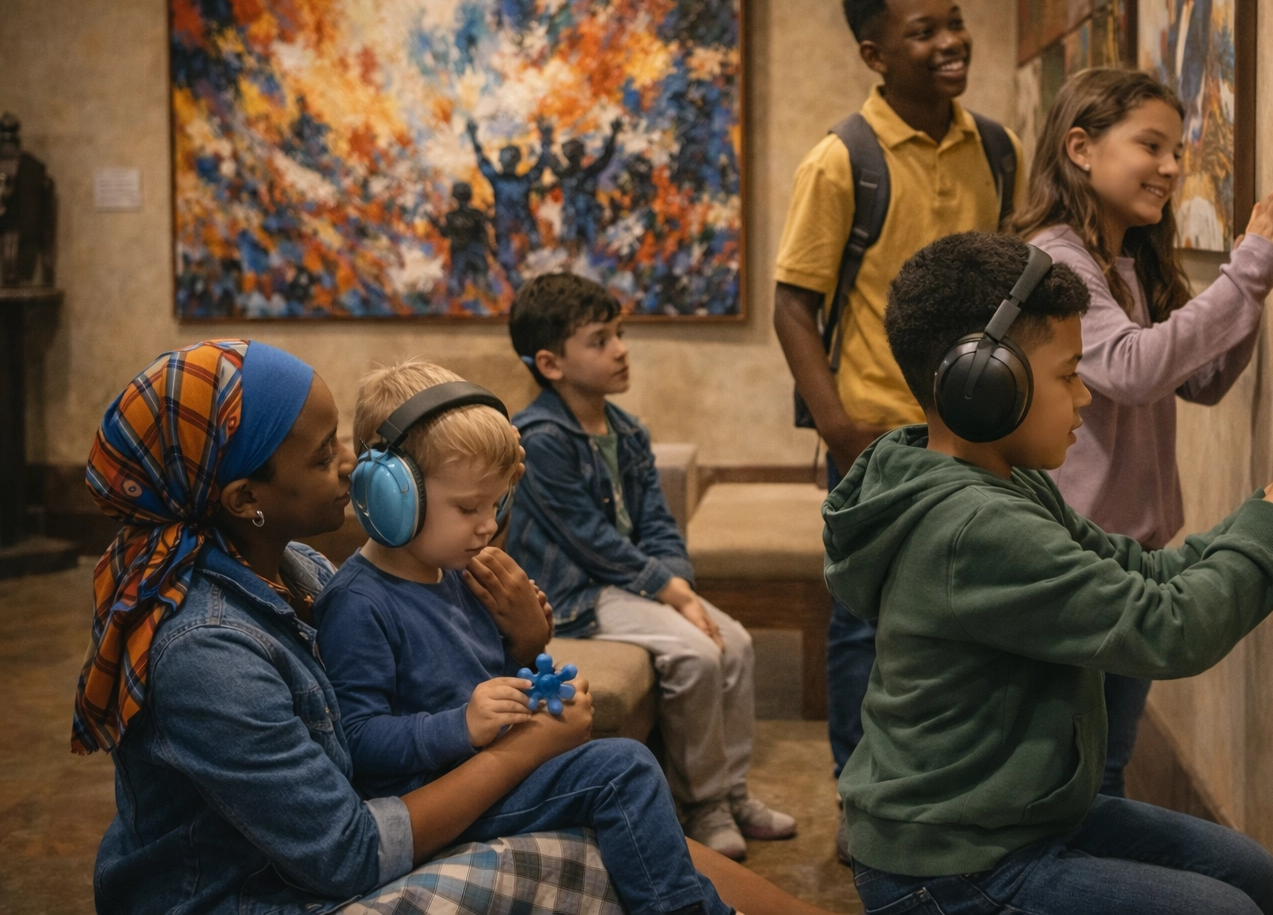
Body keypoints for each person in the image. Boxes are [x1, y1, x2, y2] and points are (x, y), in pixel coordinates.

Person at [74, 338, 832, 915]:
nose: (352, 465)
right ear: (245, 499)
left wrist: (527, 646)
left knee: (627, 823)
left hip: (356, 836)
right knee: (614, 816)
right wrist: (519, 745)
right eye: (322, 452)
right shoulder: (206, 651)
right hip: (258, 896)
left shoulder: (298, 566)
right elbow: (344, 850)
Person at [826, 232, 1273, 915]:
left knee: (1247, 870)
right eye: (1067, 375)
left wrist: (1270, 503)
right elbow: (1170, 629)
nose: (1084, 397)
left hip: (1011, 817)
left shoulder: (995, 482)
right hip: (949, 868)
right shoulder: (973, 528)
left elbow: (1143, 572)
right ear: (984, 386)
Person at [315, 359, 733, 915]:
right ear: (392, 495)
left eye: (496, 504)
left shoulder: (461, 569)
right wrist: (460, 726)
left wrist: (531, 664)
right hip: (440, 795)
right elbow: (358, 741)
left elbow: (487, 672)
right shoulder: (359, 603)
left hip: (485, 771)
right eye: (468, 508)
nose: (488, 525)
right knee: (623, 770)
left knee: (609, 765)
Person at [771, 0, 1025, 854]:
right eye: (924, 32)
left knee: (963, 618)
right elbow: (793, 304)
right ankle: (860, 802)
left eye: (954, 21)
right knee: (864, 627)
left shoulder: (997, 144)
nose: (951, 41)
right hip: (879, 433)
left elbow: (1009, 282)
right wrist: (841, 429)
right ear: (875, 53)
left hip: (980, 429)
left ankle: (949, 790)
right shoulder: (843, 160)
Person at [1016, 67, 1273, 796]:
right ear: (1081, 148)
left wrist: (1250, 290)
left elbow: (1198, 382)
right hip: (1073, 560)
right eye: (1153, 146)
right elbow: (1134, 369)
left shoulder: (1127, 259)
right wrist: (1248, 270)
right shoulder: (1056, 256)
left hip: (1127, 556)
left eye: (1178, 150)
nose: (1173, 169)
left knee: (1103, 764)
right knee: (1079, 772)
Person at [505, 273, 796, 859]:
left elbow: (659, 523)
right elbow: (590, 542)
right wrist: (672, 594)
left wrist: (678, 581)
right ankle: (704, 803)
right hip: (578, 595)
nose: (620, 348)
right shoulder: (539, 438)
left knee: (734, 643)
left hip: (625, 585)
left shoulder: (628, 431)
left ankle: (732, 792)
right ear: (550, 363)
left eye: (619, 333)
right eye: (599, 339)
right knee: (695, 652)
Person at [468, 118, 555, 264]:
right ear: (517, 162)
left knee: (507, 263)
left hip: (504, 227)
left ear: (501, 161)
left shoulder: (496, 180)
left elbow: (482, 161)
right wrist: (546, 141)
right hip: (525, 225)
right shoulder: (525, 180)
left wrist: (473, 137)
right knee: (536, 258)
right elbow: (541, 163)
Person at [555, 119, 623, 247]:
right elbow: (606, 157)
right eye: (584, 154)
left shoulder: (564, 175)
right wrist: (614, 134)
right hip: (586, 219)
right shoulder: (587, 173)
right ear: (579, 156)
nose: (588, 157)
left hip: (572, 220)